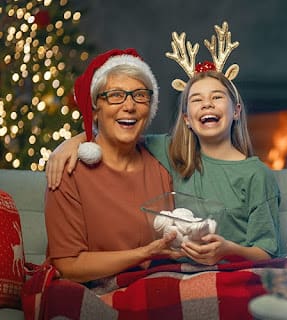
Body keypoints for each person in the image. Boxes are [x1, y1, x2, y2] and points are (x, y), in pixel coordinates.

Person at [44, 22, 283, 266]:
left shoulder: (252, 173)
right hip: (184, 272)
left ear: (236, 111)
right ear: (187, 119)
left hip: (229, 271)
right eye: (197, 99)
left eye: (217, 97)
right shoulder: (175, 155)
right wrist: (76, 141)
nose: (207, 104)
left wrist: (228, 249)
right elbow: (118, 134)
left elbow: (268, 250)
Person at [44, 48, 183, 284]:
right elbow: (68, 265)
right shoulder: (69, 171)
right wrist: (145, 254)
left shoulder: (164, 160)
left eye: (140, 95)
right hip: (95, 290)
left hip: (158, 285)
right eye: (116, 95)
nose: (129, 106)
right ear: (95, 110)